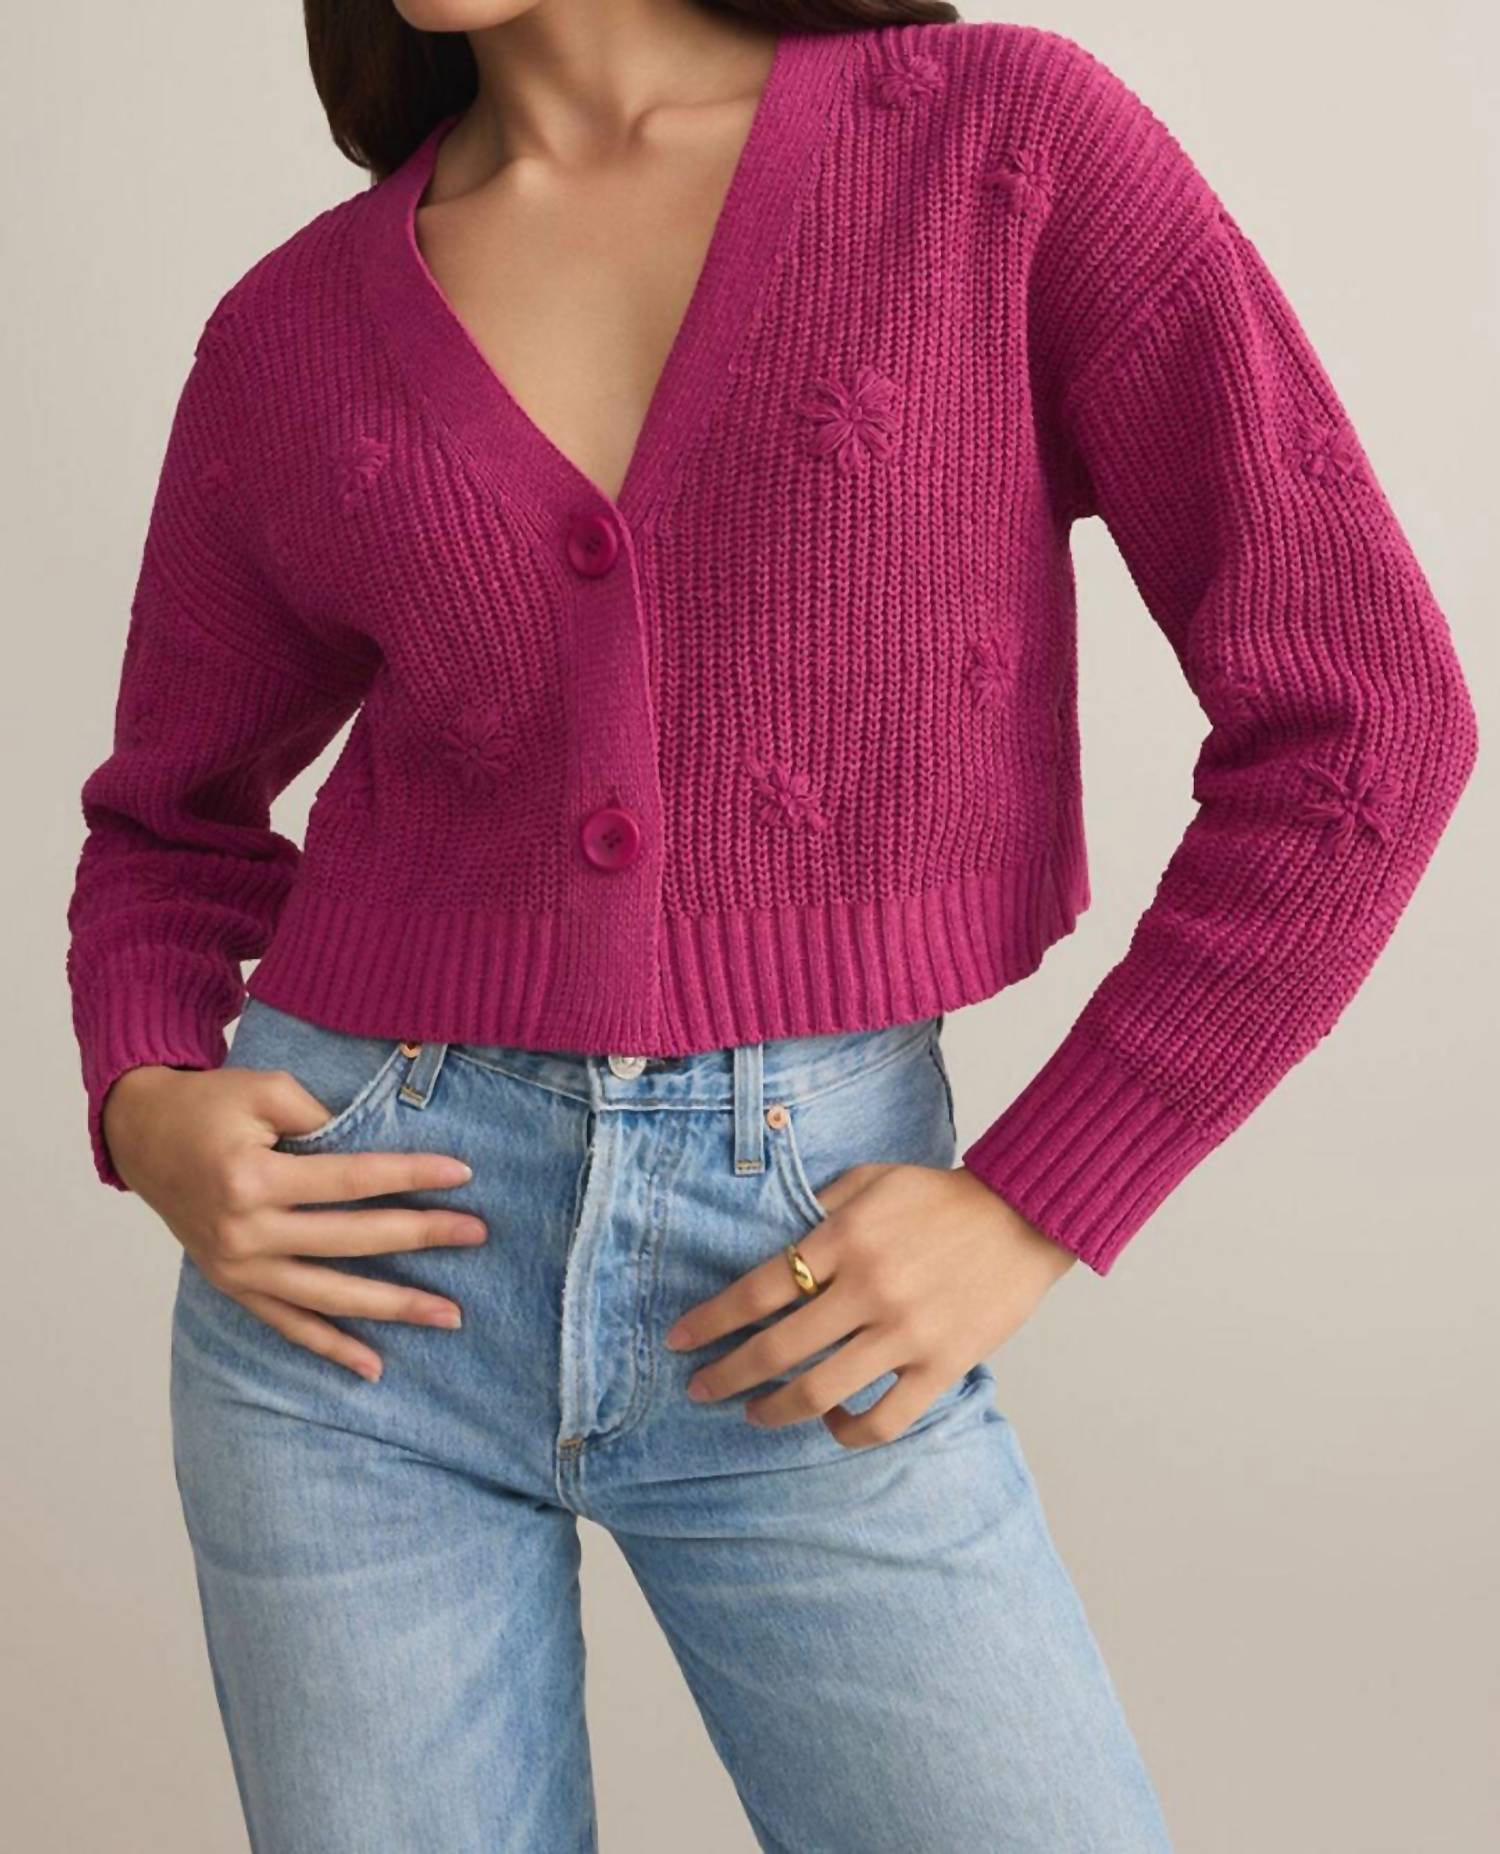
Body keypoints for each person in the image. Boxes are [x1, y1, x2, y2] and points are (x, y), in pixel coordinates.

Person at [64, 2, 1478, 1848]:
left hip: (799, 1271)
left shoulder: (997, 146)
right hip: (348, 1309)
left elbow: (1370, 718)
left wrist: (1042, 1198)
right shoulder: (296, 327)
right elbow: (163, 827)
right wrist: (147, 1091)